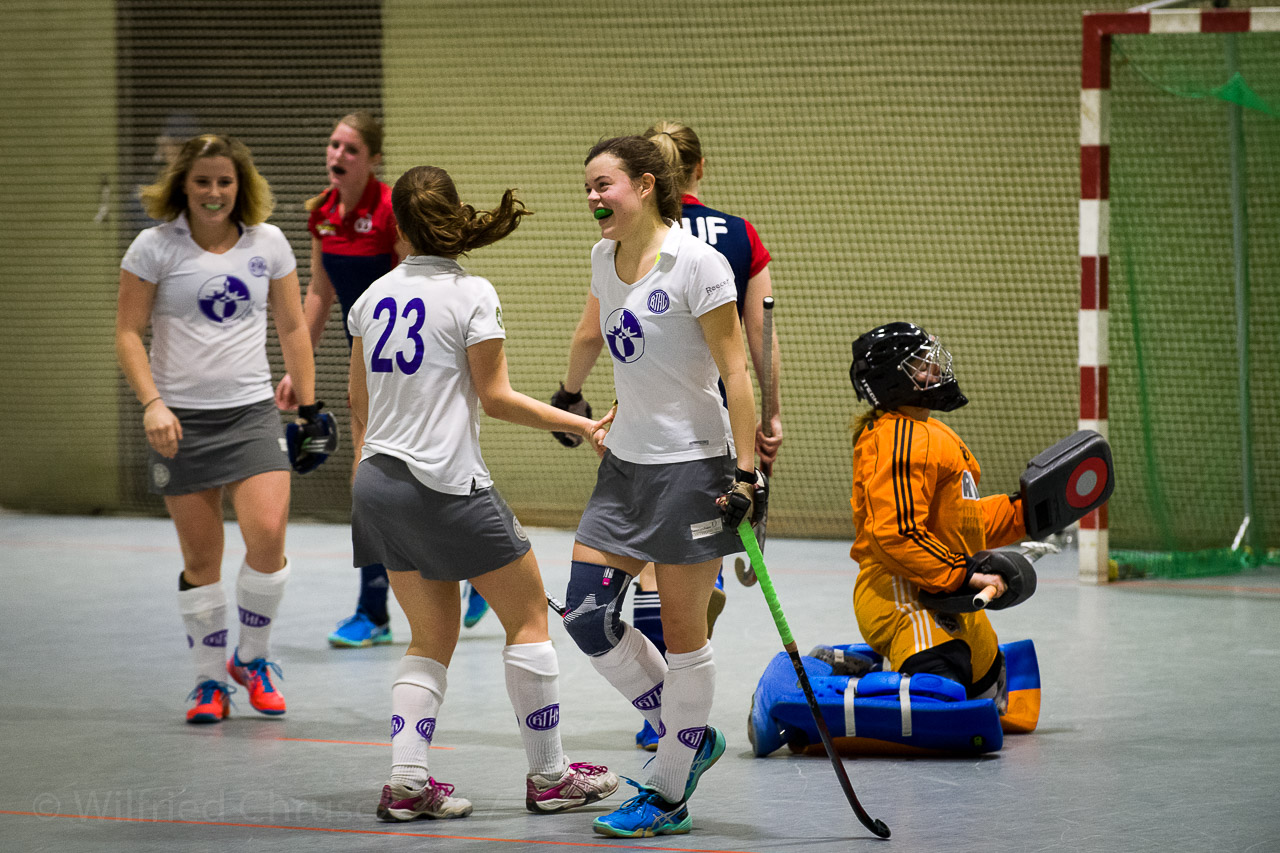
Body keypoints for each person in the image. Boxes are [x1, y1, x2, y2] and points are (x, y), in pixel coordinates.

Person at [348, 164, 619, 822]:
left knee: (429, 635)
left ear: (396, 227)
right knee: (528, 620)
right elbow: (495, 398)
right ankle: (550, 775)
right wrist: (581, 423)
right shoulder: (472, 293)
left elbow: (359, 403)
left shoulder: (370, 297)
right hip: (447, 483)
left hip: (376, 482)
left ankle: (407, 782)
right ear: (454, 215)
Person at [553, 121, 783, 751]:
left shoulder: (699, 263)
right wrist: (609, 410)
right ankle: (682, 729)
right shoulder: (602, 259)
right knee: (586, 615)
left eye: (603, 185)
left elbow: (735, 372)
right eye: (587, 188)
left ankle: (676, 766)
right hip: (624, 467)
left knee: (684, 639)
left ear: (646, 185)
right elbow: (626, 351)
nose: (592, 197)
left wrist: (745, 473)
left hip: (692, 467)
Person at [115, 133, 321, 724]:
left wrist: (310, 409)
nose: (214, 192)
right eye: (202, 181)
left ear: (240, 185)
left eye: (224, 181)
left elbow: (292, 327)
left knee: (268, 536)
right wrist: (153, 404)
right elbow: (128, 332)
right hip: (179, 422)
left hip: (251, 412)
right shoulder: (153, 247)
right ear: (184, 184)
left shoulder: (268, 243)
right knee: (202, 560)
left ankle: (252, 659)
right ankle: (209, 682)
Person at [273, 112, 490, 648]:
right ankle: (380, 608)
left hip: (409, 362)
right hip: (365, 360)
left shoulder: (391, 211)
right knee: (371, 481)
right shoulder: (322, 213)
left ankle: (470, 568)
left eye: (350, 149)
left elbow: (411, 282)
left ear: (372, 159)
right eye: (333, 145)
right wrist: (297, 370)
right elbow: (319, 292)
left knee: (411, 475)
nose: (337, 155)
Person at [847, 321, 1025, 710]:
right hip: (900, 591)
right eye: (921, 364)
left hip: (945, 589)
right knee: (941, 693)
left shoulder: (938, 435)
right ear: (894, 379)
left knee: (986, 692)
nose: (936, 369)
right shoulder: (895, 437)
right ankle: (863, 676)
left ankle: (876, 667)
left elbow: (964, 521)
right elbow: (897, 533)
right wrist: (966, 573)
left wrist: (1023, 513)